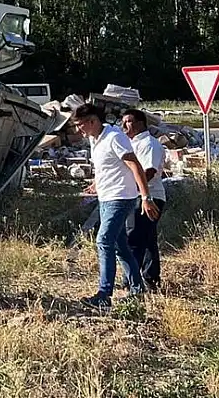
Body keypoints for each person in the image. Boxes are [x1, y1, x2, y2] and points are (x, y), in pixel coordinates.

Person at [72, 104, 159, 309]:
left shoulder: (114, 137)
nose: (78, 130)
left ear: (93, 121)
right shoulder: (95, 140)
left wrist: (146, 196)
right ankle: (137, 289)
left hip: (121, 198)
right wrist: (96, 184)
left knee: (103, 240)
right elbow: (108, 167)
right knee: (120, 246)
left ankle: (104, 295)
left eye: (80, 125)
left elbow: (135, 166)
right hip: (106, 197)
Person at [120, 109, 167, 291]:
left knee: (135, 238)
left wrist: (138, 192)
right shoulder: (131, 144)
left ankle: (131, 281)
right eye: (123, 122)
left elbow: (148, 172)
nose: (125, 125)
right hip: (137, 195)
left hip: (149, 197)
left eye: (129, 121)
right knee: (147, 240)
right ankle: (150, 280)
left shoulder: (149, 144)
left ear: (140, 123)